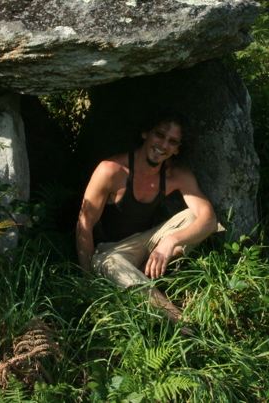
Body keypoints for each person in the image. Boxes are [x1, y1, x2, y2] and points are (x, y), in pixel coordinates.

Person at [75, 111, 219, 324]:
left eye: (172, 141)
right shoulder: (111, 170)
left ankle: (139, 277)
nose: (163, 145)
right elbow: (84, 225)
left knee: (193, 217)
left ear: (177, 149)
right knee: (110, 262)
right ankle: (177, 320)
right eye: (159, 135)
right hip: (110, 251)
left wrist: (171, 241)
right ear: (145, 133)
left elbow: (209, 220)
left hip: (147, 244)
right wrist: (87, 281)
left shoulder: (176, 176)